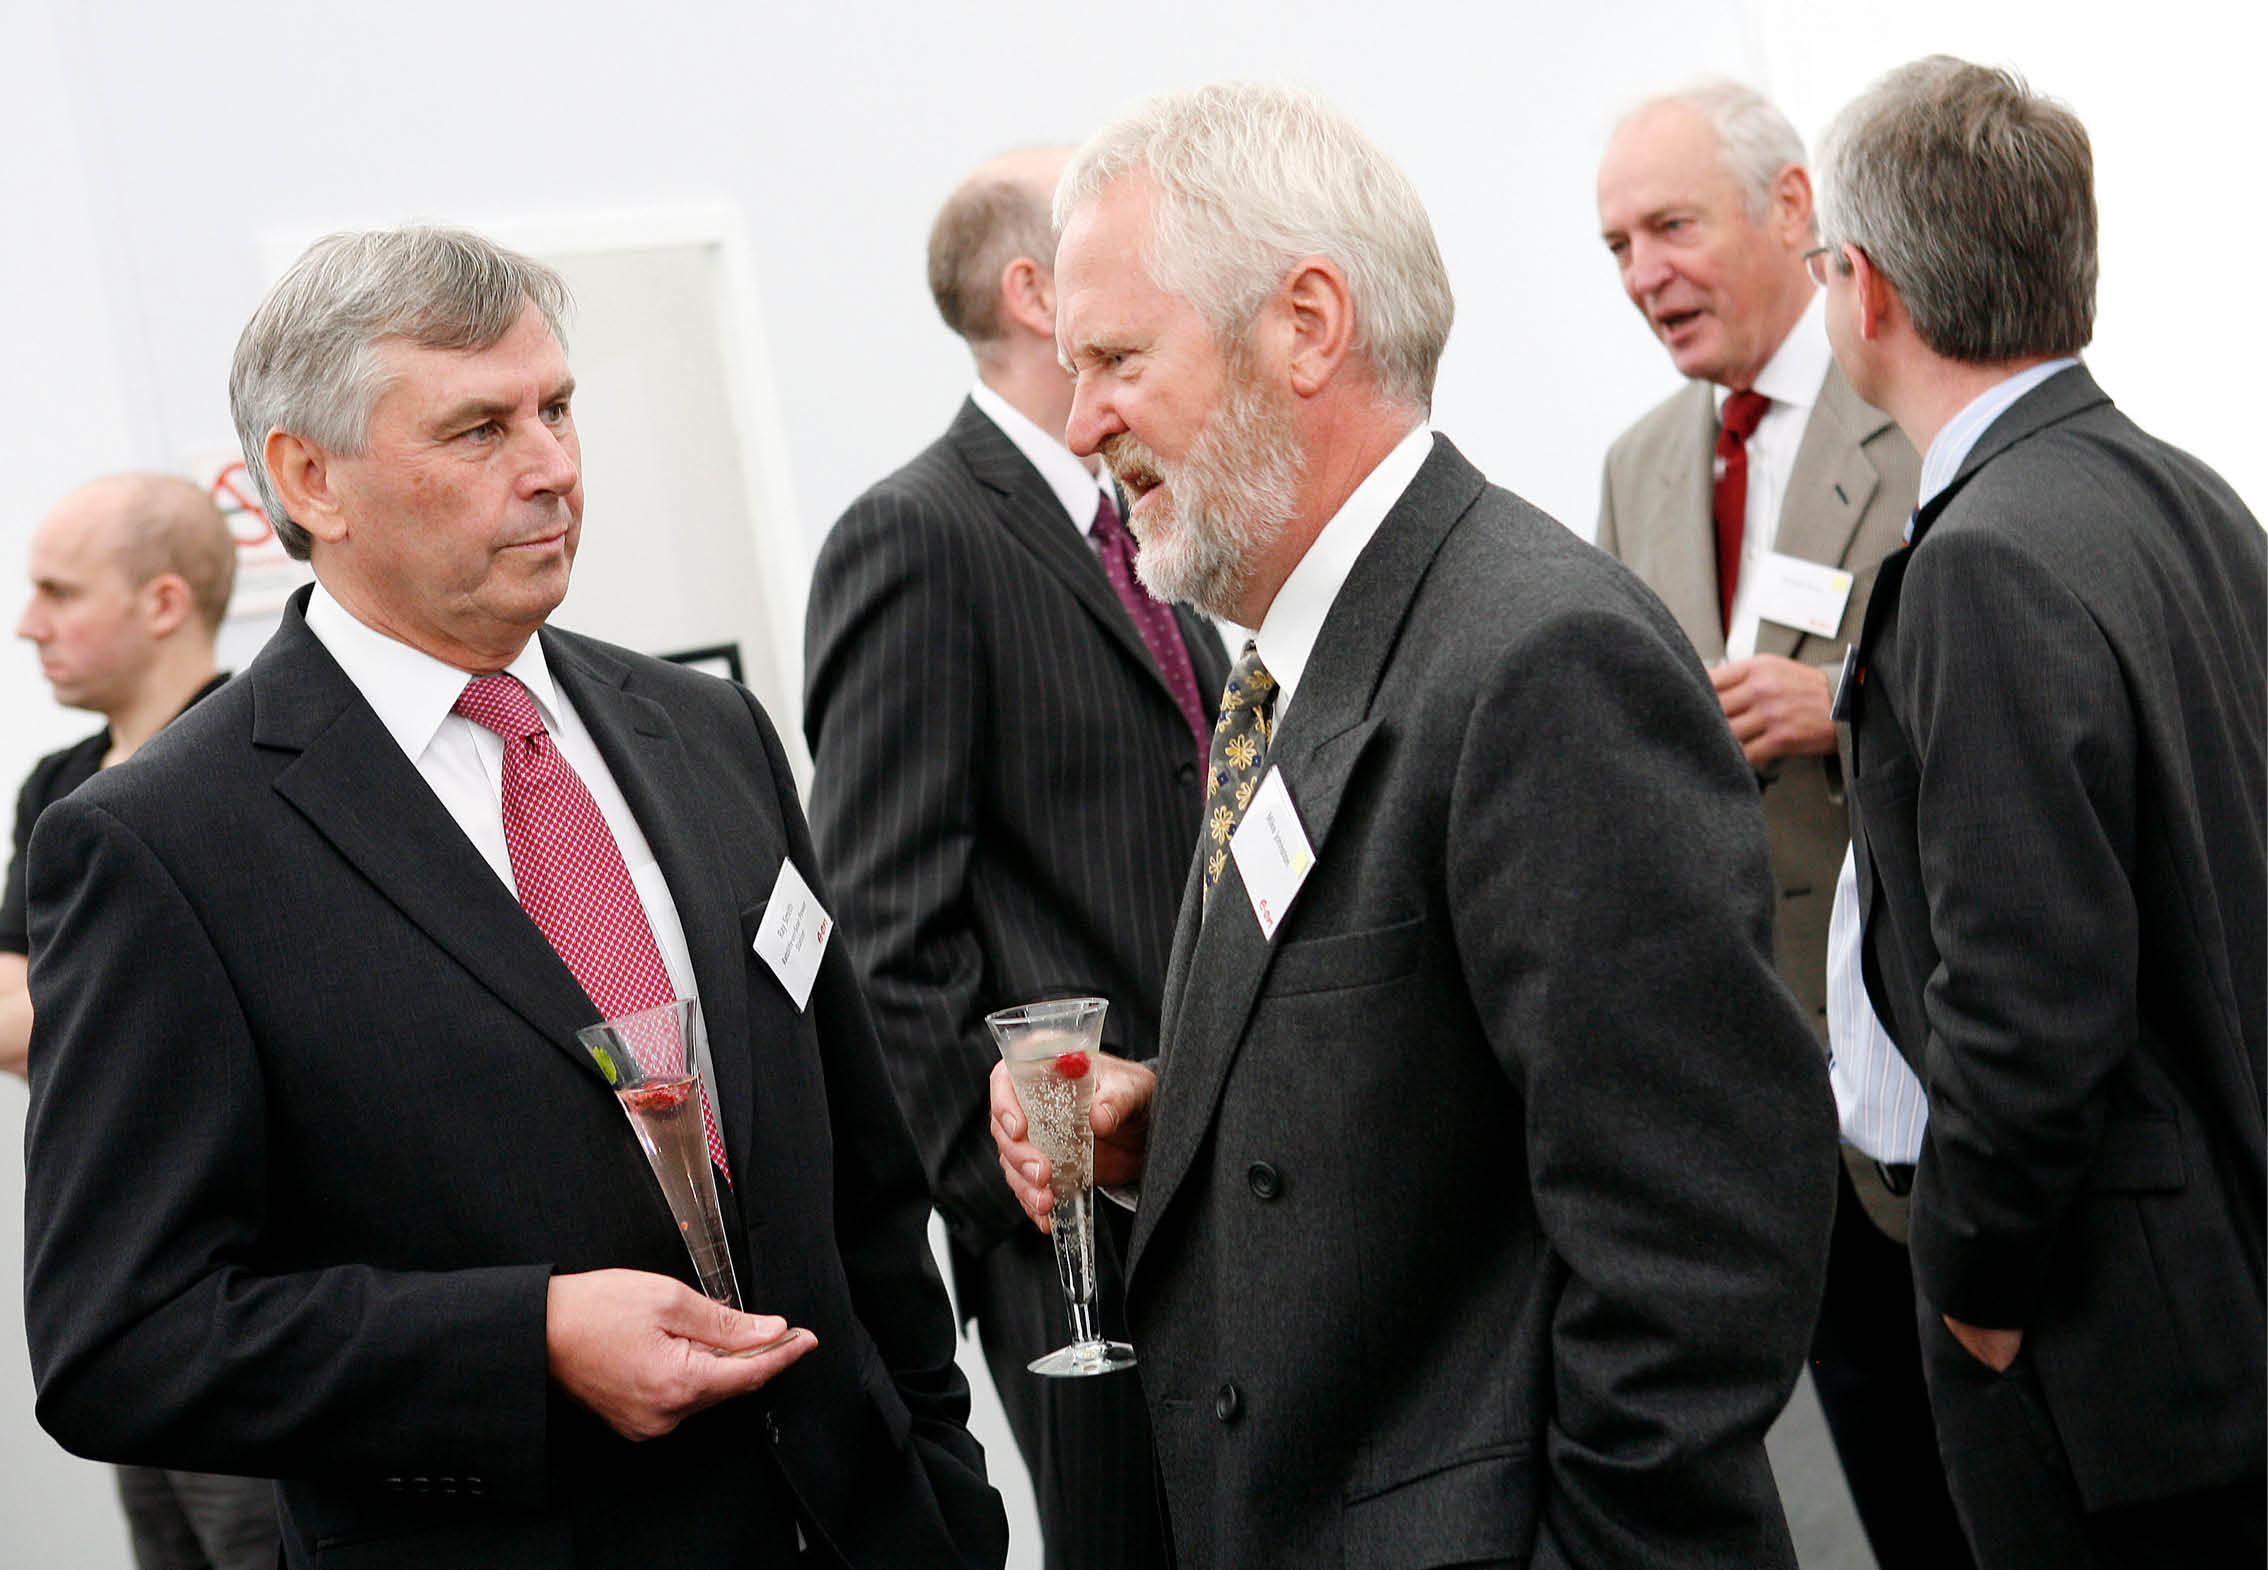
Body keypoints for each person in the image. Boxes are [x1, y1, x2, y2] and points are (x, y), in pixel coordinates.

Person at [20, 226, 1008, 1570]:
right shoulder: (166, 846)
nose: (551, 466)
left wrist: (944, 1479)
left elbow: (861, 1177)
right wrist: (526, 1340)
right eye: (478, 430)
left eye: (558, 408)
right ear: (313, 479)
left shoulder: (710, 731)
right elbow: (125, 1341)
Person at [988, 83, 1837, 1570]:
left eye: (1117, 357)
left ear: (1306, 324)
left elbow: (1693, 1247)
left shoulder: (1536, 659)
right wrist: (1165, 1126)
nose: (1081, 422)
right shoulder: (1296, 661)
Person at [1817, 56, 2265, 1569]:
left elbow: (2031, 999)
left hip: (2102, 1341)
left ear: (1863, 290)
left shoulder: (1985, 557)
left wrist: (1976, 1291)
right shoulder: (2189, 491)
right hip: (2214, 1291)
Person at [804, 147, 1222, 1570]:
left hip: (1212, 1158)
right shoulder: (916, 533)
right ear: (1036, 292)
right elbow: (884, 928)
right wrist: (1018, 1209)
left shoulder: (1156, 509)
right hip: (1070, 1235)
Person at [1592, 83, 1967, 1570]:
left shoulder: (1920, 411)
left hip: (1941, 1071)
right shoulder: (1637, 466)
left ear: (1797, 211)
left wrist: (1845, 711)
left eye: (1671, 225)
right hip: (1766, 1099)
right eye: (1616, 243)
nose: (1641, 273)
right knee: (1879, 1478)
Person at [3, 473, 276, 1570]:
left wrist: (67, 1015)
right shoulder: (58, 786)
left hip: (244, 1294)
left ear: (164, 602)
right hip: (116, 1288)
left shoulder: (243, 761)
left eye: (59, 592)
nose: (29, 622)